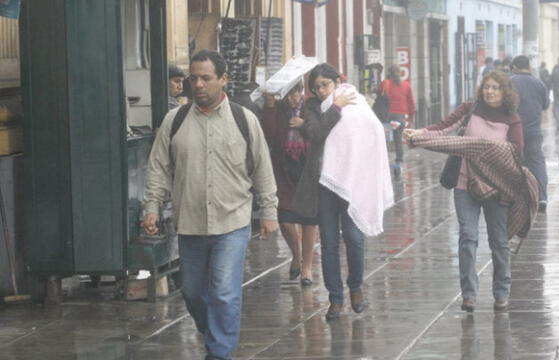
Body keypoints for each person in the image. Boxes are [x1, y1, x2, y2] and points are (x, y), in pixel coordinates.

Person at [142, 50, 279, 360]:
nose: (198, 84)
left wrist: (269, 212)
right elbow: (159, 167)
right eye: (194, 78)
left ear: (223, 79)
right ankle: (214, 335)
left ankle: (219, 353)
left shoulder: (245, 120)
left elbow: (262, 169)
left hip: (232, 222)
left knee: (223, 292)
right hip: (190, 223)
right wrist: (152, 206)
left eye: (206, 78)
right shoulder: (174, 121)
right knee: (191, 293)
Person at [404, 71, 524, 312]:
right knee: (468, 237)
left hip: (496, 188)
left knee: (499, 241)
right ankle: (469, 294)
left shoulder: (512, 120)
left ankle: (502, 292)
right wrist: (419, 134)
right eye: (486, 87)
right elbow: (443, 128)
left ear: (505, 92)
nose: (489, 91)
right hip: (464, 184)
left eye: (495, 88)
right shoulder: (470, 109)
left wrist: (489, 152)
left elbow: (517, 154)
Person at [293, 63, 394, 321]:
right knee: (328, 243)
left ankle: (356, 287)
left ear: (337, 82)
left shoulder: (357, 101)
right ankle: (335, 298)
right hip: (324, 184)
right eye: (316, 88)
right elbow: (315, 134)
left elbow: (371, 132)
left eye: (325, 85)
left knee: (354, 237)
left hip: (353, 182)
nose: (321, 91)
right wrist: (335, 106)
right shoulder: (312, 107)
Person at [260, 82, 318, 286]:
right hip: (284, 171)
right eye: (292, 93)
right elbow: (268, 134)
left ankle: (307, 267)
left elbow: (319, 133)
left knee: (309, 220)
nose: (297, 97)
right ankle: (297, 254)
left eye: (299, 92)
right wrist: (268, 106)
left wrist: (303, 125)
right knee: (285, 218)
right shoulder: (279, 109)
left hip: (307, 170)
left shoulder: (311, 108)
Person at [511, 55, 551, 211]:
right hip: (533, 131)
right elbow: (545, 105)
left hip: (513, 131)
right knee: (537, 163)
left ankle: (516, 198)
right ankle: (541, 197)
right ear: (529, 66)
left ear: (514, 66)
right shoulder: (539, 84)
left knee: (513, 163)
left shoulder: (510, 82)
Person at [379, 64, 416, 176]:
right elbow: (411, 103)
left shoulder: (385, 84)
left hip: (387, 117)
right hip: (400, 117)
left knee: (382, 140)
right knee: (398, 140)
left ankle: (382, 161)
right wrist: (411, 117)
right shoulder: (406, 85)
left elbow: (379, 95)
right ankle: (399, 161)